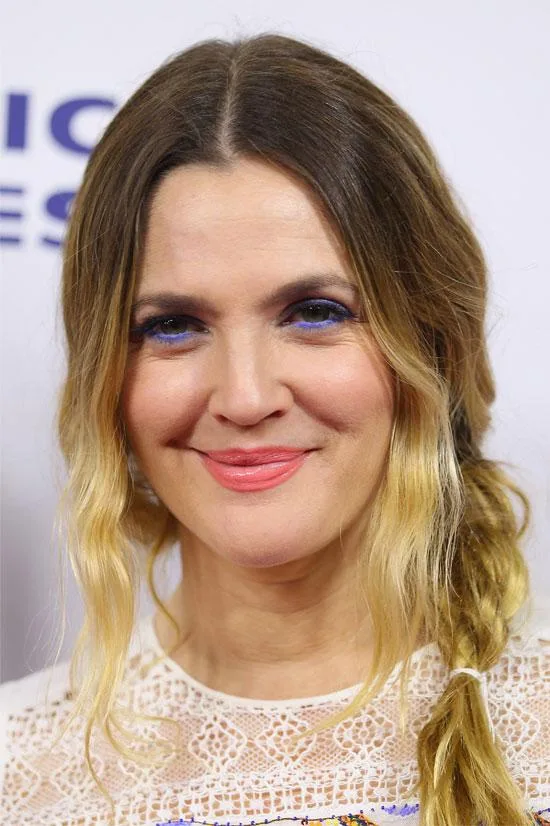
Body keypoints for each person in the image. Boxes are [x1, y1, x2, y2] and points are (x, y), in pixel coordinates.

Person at [0, 32, 548, 826]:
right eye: (173, 325)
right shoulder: (20, 773)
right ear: (105, 377)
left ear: (431, 341)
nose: (245, 396)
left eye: (315, 312)